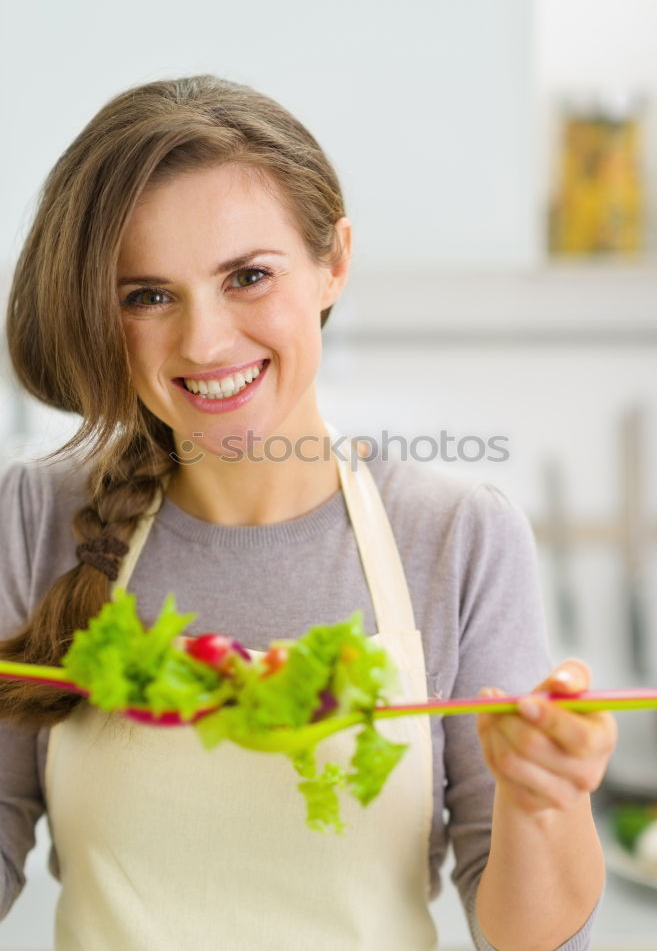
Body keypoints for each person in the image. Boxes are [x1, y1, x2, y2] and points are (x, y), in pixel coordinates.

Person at [0, 74, 616, 951]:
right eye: (147, 295)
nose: (205, 342)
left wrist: (546, 801)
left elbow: (527, 940)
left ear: (334, 260)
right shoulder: (33, 517)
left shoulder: (457, 537)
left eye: (248, 276)